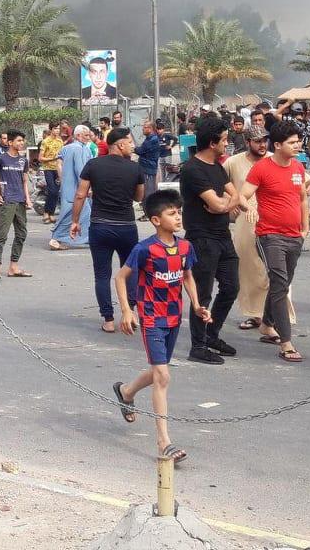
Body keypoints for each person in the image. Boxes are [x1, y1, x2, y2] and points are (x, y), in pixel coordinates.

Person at [111, 190, 210, 464]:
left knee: (158, 372)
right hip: (152, 318)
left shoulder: (185, 247)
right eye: (171, 213)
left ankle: (126, 392)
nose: (177, 217)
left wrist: (198, 304)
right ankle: (163, 441)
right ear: (155, 219)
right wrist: (127, 310)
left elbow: (187, 276)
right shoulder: (145, 249)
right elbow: (120, 278)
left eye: (179, 212)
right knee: (163, 377)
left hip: (175, 317)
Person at [238, 120, 310, 363]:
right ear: (277, 145)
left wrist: (305, 228)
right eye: (292, 142)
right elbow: (243, 195)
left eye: (298, 141)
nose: (297, 145)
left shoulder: (298, 168)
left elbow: (302, 200)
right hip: (269, 236)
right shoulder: (262, 168)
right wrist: (248, 207)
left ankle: (267, 323)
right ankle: (286, 342)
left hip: (294, 236)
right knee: (280, 281)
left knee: (283, 282)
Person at [179, 117, 241, 365]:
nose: (227, 144)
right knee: (202, 294)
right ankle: (199, 345)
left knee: (231, 287)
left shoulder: (217, 167)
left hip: (223, 236)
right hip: (202, 239)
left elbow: (233, 196)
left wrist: (223, 206)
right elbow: (218, 203)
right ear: (212, 142)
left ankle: (212, 333)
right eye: (224, 140)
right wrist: (224, 204)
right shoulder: (193, 169)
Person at [71, 127, 144, 333]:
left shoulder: (93, 165)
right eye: (129, 142)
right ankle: (129, 312)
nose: (132, 145)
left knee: (102, 274)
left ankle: (109, 320)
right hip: (126, 227)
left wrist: (75, 221)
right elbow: (139, 197)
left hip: (100, 226)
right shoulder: (134, 168)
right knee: (130, 271)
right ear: (120, 144)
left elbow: (80, 195)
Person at [225, 127, 293, 331]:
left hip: (275, 222)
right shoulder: (233, 163)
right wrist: (232, 205)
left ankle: (275, 317)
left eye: (265, 140)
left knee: (276, 271)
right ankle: (254, 314)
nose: (262, 145)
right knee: (250, 270)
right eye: (257, 141)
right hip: (245, 221)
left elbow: (299, 182)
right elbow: (221, 185)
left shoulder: (277, 159)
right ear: (247, 142)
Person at [0, 130, 31, 280]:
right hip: (7, 201)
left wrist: (27, 198)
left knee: (21, 234)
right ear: (10, 143)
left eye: (23, 141)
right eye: (19, 141)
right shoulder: (1, 159)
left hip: (20, 201)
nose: (22, 143)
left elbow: (25, 181)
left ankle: (13, 266)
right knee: (2, 235)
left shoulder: (23, 160)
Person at [50, 125, 92, 250]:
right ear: (78, 135)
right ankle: (56, 238)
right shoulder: (80, 149)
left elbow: (59, 164)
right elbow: (81, 170)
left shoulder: (67, 148)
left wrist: (63, 180)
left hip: (67, 187)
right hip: (77, 188)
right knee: (72, 214)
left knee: (81, 213)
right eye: (86, 135)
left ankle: (85, 238)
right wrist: (86, 187)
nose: (88, 137)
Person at [38, 123, 63, 224]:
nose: (57, 131)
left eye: (58, 129)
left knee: (56, 192)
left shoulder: (60, 141)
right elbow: (40, 158)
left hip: (58, 169)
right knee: (52, 190)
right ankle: (45, 213)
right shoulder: (45, 141)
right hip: (48, 169)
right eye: (55, 129)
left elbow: (62, 155)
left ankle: (51, 214)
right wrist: (52, 158)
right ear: (51, 129)